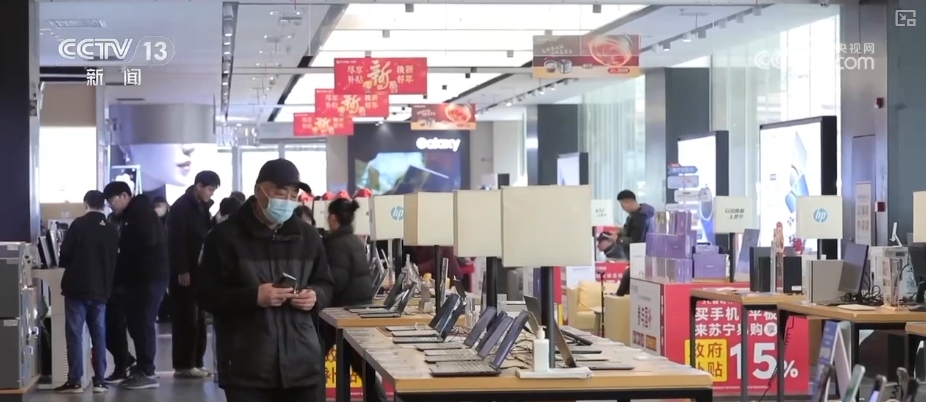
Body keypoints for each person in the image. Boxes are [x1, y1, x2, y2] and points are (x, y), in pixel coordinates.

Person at [196, 159, 334, 402]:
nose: (287, 201)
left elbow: (326, 283)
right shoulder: (224, 237)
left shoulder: (308, 237)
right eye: (280, 193)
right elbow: (205, 294)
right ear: (258, 190)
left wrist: (315, 296)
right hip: (247, 368)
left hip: (302, 364)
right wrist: (253, 297)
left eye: (293, 195)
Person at [102, 181, 170, 390]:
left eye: (113, 200)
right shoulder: (129, 216)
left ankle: (147, 371)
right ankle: (138, 366)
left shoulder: (140, 214)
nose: (111, 205)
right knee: (135, 323)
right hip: (139, 279)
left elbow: (143, 244)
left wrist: (121, 249)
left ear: (125, 195)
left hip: (149, 277)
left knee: (142, 323)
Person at [54, 190, 120, 394]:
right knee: (99, 334)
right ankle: (100, 380)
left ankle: (75, 381)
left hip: (77, 288)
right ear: (103, 204)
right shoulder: (112, 228)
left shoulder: (78, 224)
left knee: (75, 334)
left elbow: (65, 254)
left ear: (86, 204)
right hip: (101, 289)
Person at [167, 171, 220, 379]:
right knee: (185, 318)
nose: (211, 193)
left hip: (199, 271)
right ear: (198, 186)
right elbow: (176, 240)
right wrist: (182, 269)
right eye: (209, 189)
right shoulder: (181, 208)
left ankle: (196, 361)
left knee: (198, 318)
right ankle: (184, 364)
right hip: (185, 272)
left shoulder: (202, 208)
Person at [613, 190, 655, 296]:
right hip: (642, 258)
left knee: (628, 280)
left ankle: (618, 298)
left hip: (641, 258)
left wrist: (618, 239)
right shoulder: (638, 215)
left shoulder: (640, 217)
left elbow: (636, 240)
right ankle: (618, 298)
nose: (623, 208)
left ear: (628, 202)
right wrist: (622, 232)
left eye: (623, 205)